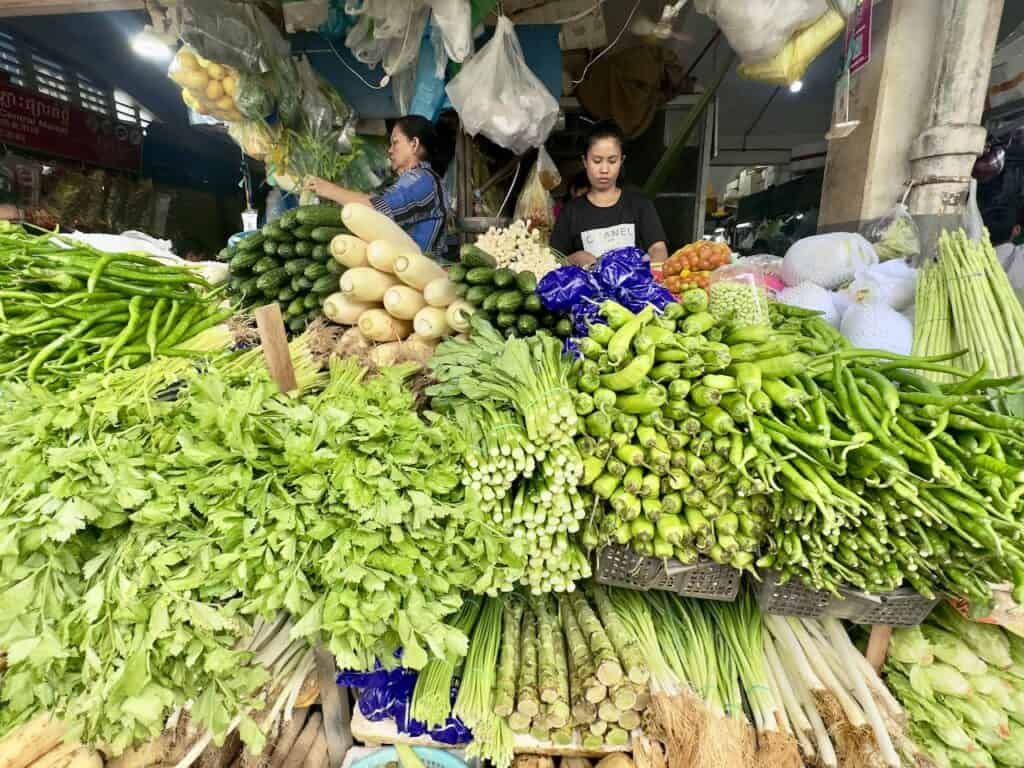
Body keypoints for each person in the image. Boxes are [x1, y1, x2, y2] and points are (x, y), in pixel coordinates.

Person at [305, 115, 449, 258]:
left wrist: (327, 189)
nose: (390, 150)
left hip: (421, 272)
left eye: (395, 142)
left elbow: (378, 210)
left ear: (414, 144)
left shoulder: (421, 180)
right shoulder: (416, 179)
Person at [550, 121, 668, 267]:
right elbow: (552, 261)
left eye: (612, 161)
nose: (604, 169)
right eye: (597, 161)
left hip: (633, 288)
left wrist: (655, 265)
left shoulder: (640, 204)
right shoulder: (571, 211)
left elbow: (658, 248)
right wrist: (573, 259)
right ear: (585, 161)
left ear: (621, 161)